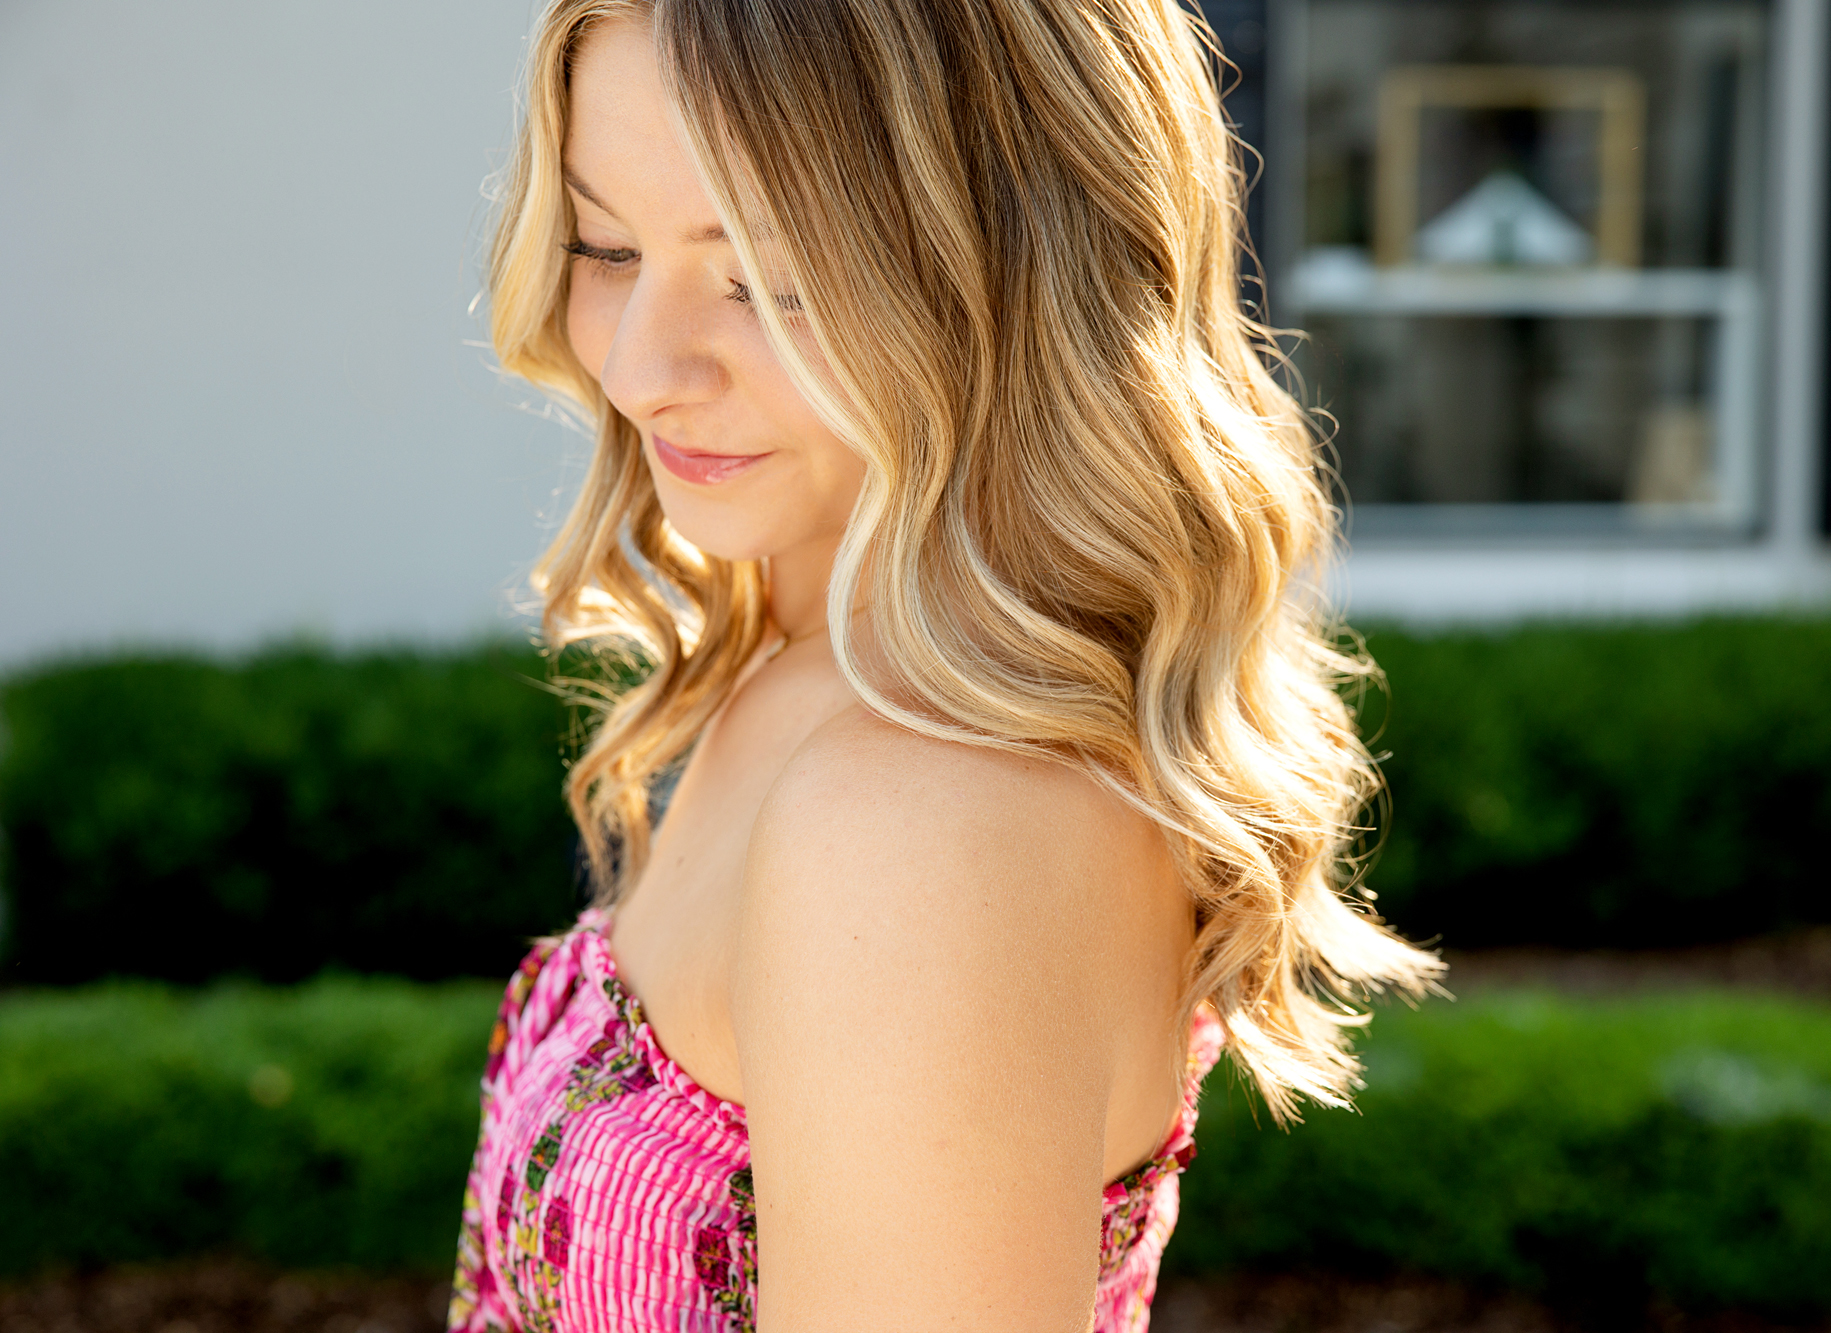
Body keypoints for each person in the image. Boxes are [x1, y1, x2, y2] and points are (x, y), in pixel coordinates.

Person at [447, 2, 1442, 1330]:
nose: (639, 369)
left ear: (1024, 270)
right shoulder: (815, 665)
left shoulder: (926, 813)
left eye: (772, 280)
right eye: (606, 245)